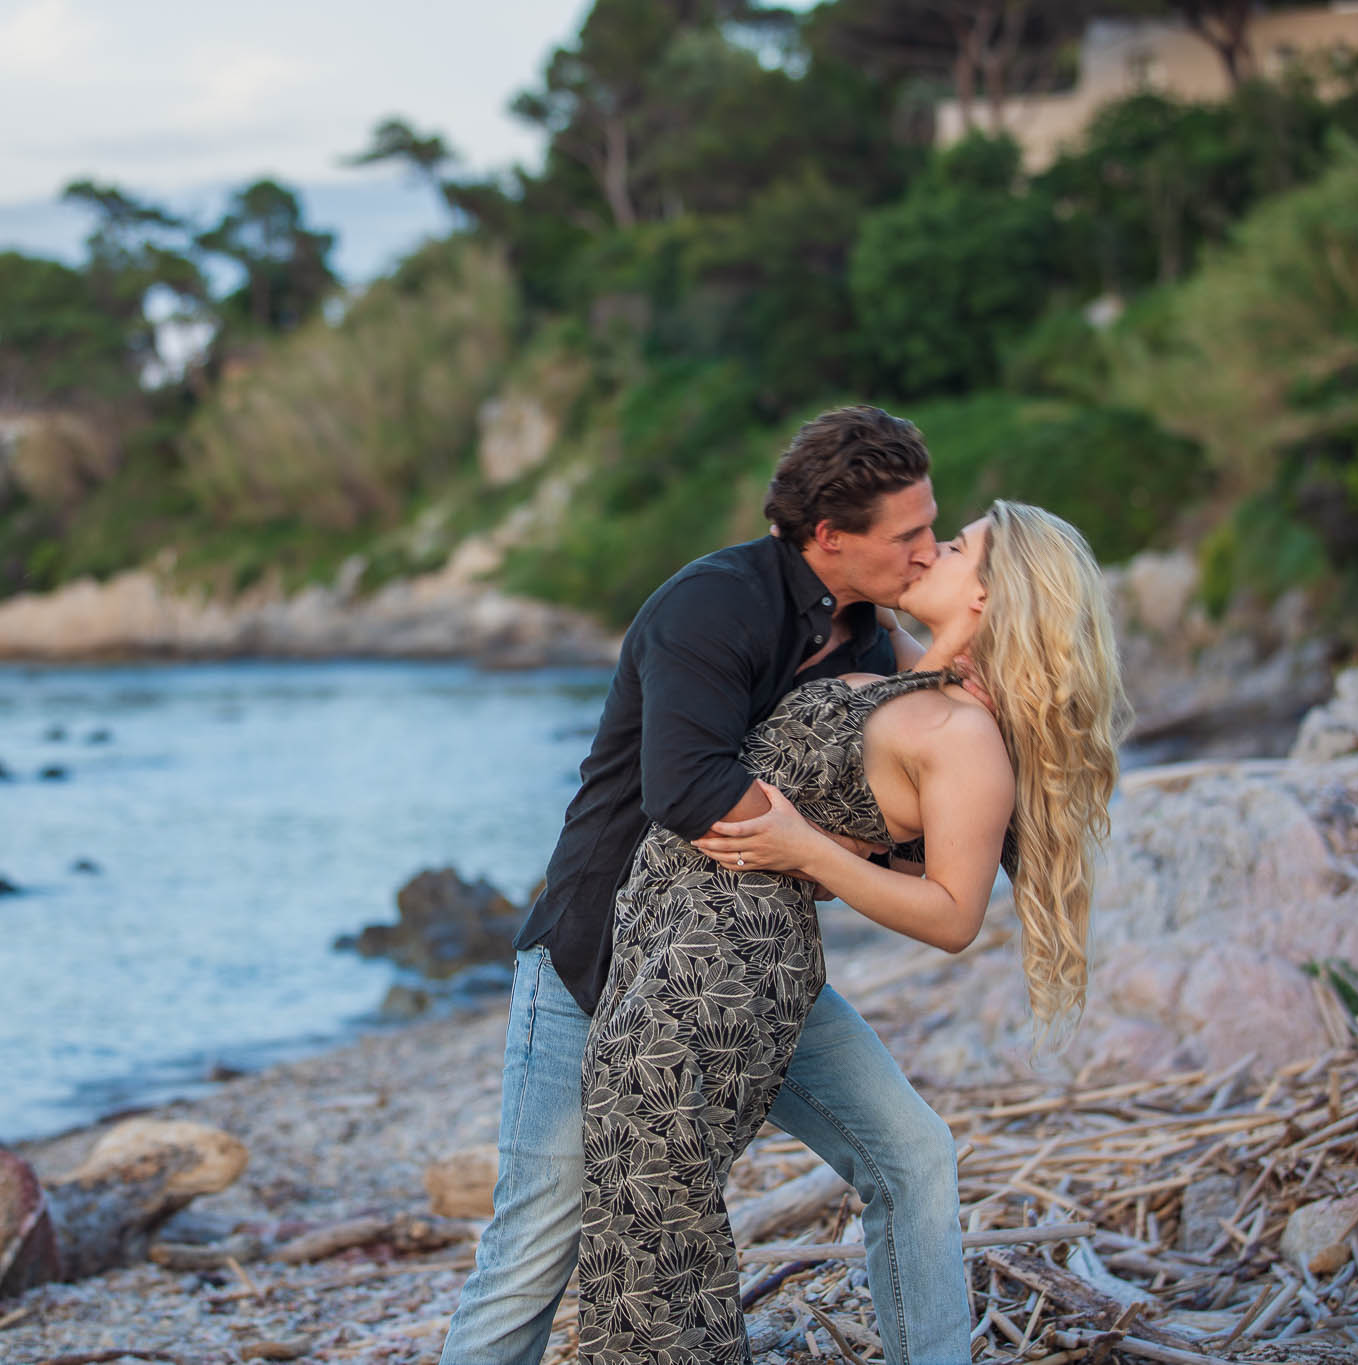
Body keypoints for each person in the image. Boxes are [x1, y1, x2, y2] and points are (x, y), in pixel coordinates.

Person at [440, 406, 971, 1365]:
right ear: (830, 536)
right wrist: (826, 842)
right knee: (536, 1244)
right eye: (909, 535)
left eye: (933, 527)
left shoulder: (868, 644)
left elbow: (891, 829)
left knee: (915, 1158)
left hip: (762, 974)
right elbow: (688, 789)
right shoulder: (713, 606)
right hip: (596, 962)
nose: (928, 551)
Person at [579, 501, 1128, 1363]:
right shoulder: (914, 672)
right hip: (678, 936)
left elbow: (954, 914)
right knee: (656, 1221)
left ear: (988, 597)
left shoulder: (966, 736)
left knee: (657, 1232)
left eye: (953, 546)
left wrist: (809, 850)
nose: (927, 552)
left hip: (718, 972)